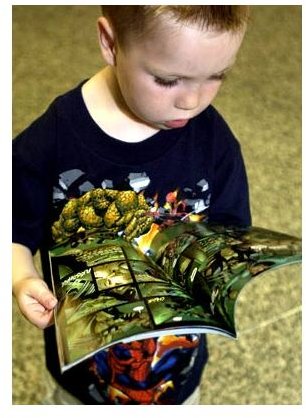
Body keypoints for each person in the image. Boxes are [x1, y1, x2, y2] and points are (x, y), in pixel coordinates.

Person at [12, 5, 251, 405]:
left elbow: (231, 231)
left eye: (217, 76)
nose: (192, 101)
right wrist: (21, 278)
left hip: (177, 371)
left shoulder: (213, 138)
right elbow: (12, 226)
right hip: (83, 379)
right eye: (167, 79)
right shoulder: (53, 138)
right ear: (110, 43)